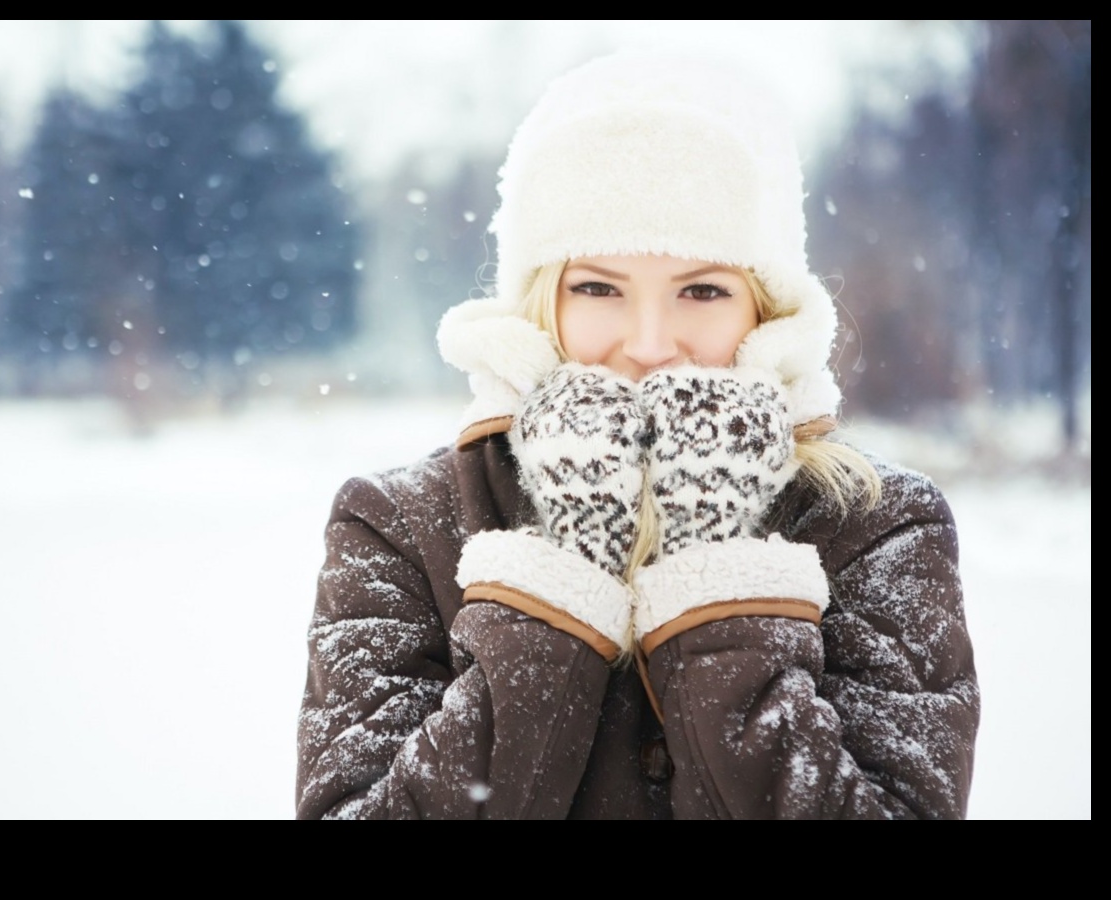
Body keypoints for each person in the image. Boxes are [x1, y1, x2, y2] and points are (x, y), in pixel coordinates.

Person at [295, 52, 979, 819]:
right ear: (537, 303)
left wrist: (712, 564)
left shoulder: (877, 525)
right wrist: (565, 574)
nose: (651, 344)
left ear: (766, 311)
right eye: (597, 287)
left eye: (702, 290)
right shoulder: (401, 525)